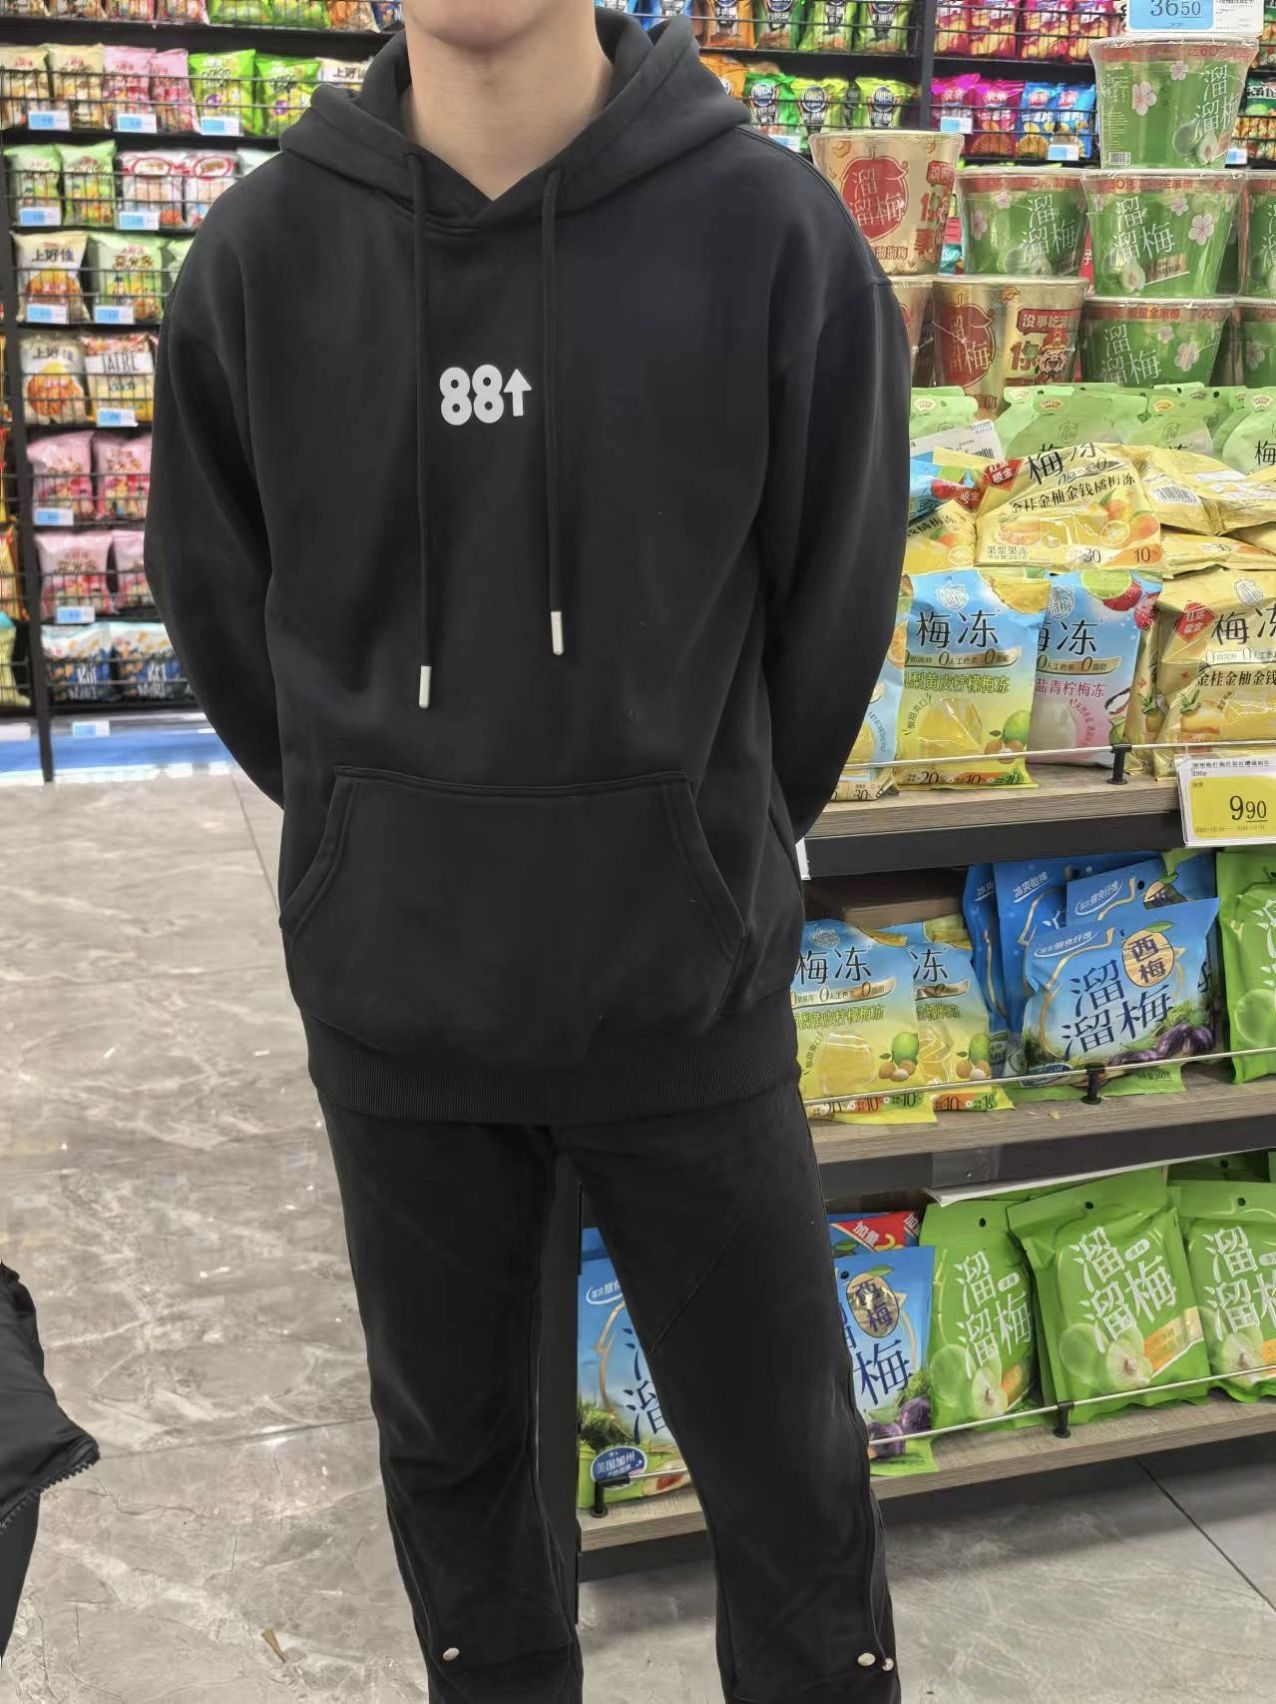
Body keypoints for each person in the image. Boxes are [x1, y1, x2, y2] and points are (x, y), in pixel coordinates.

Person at [145, 2, 910, 1699]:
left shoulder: (772, 233)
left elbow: (833, 604)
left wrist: (695, 843)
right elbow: (226, 615)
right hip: (399, 1016)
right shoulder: (258, 262)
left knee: (795, 1501)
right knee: (465, 1515)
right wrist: (371, 840)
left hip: (686, 1006)